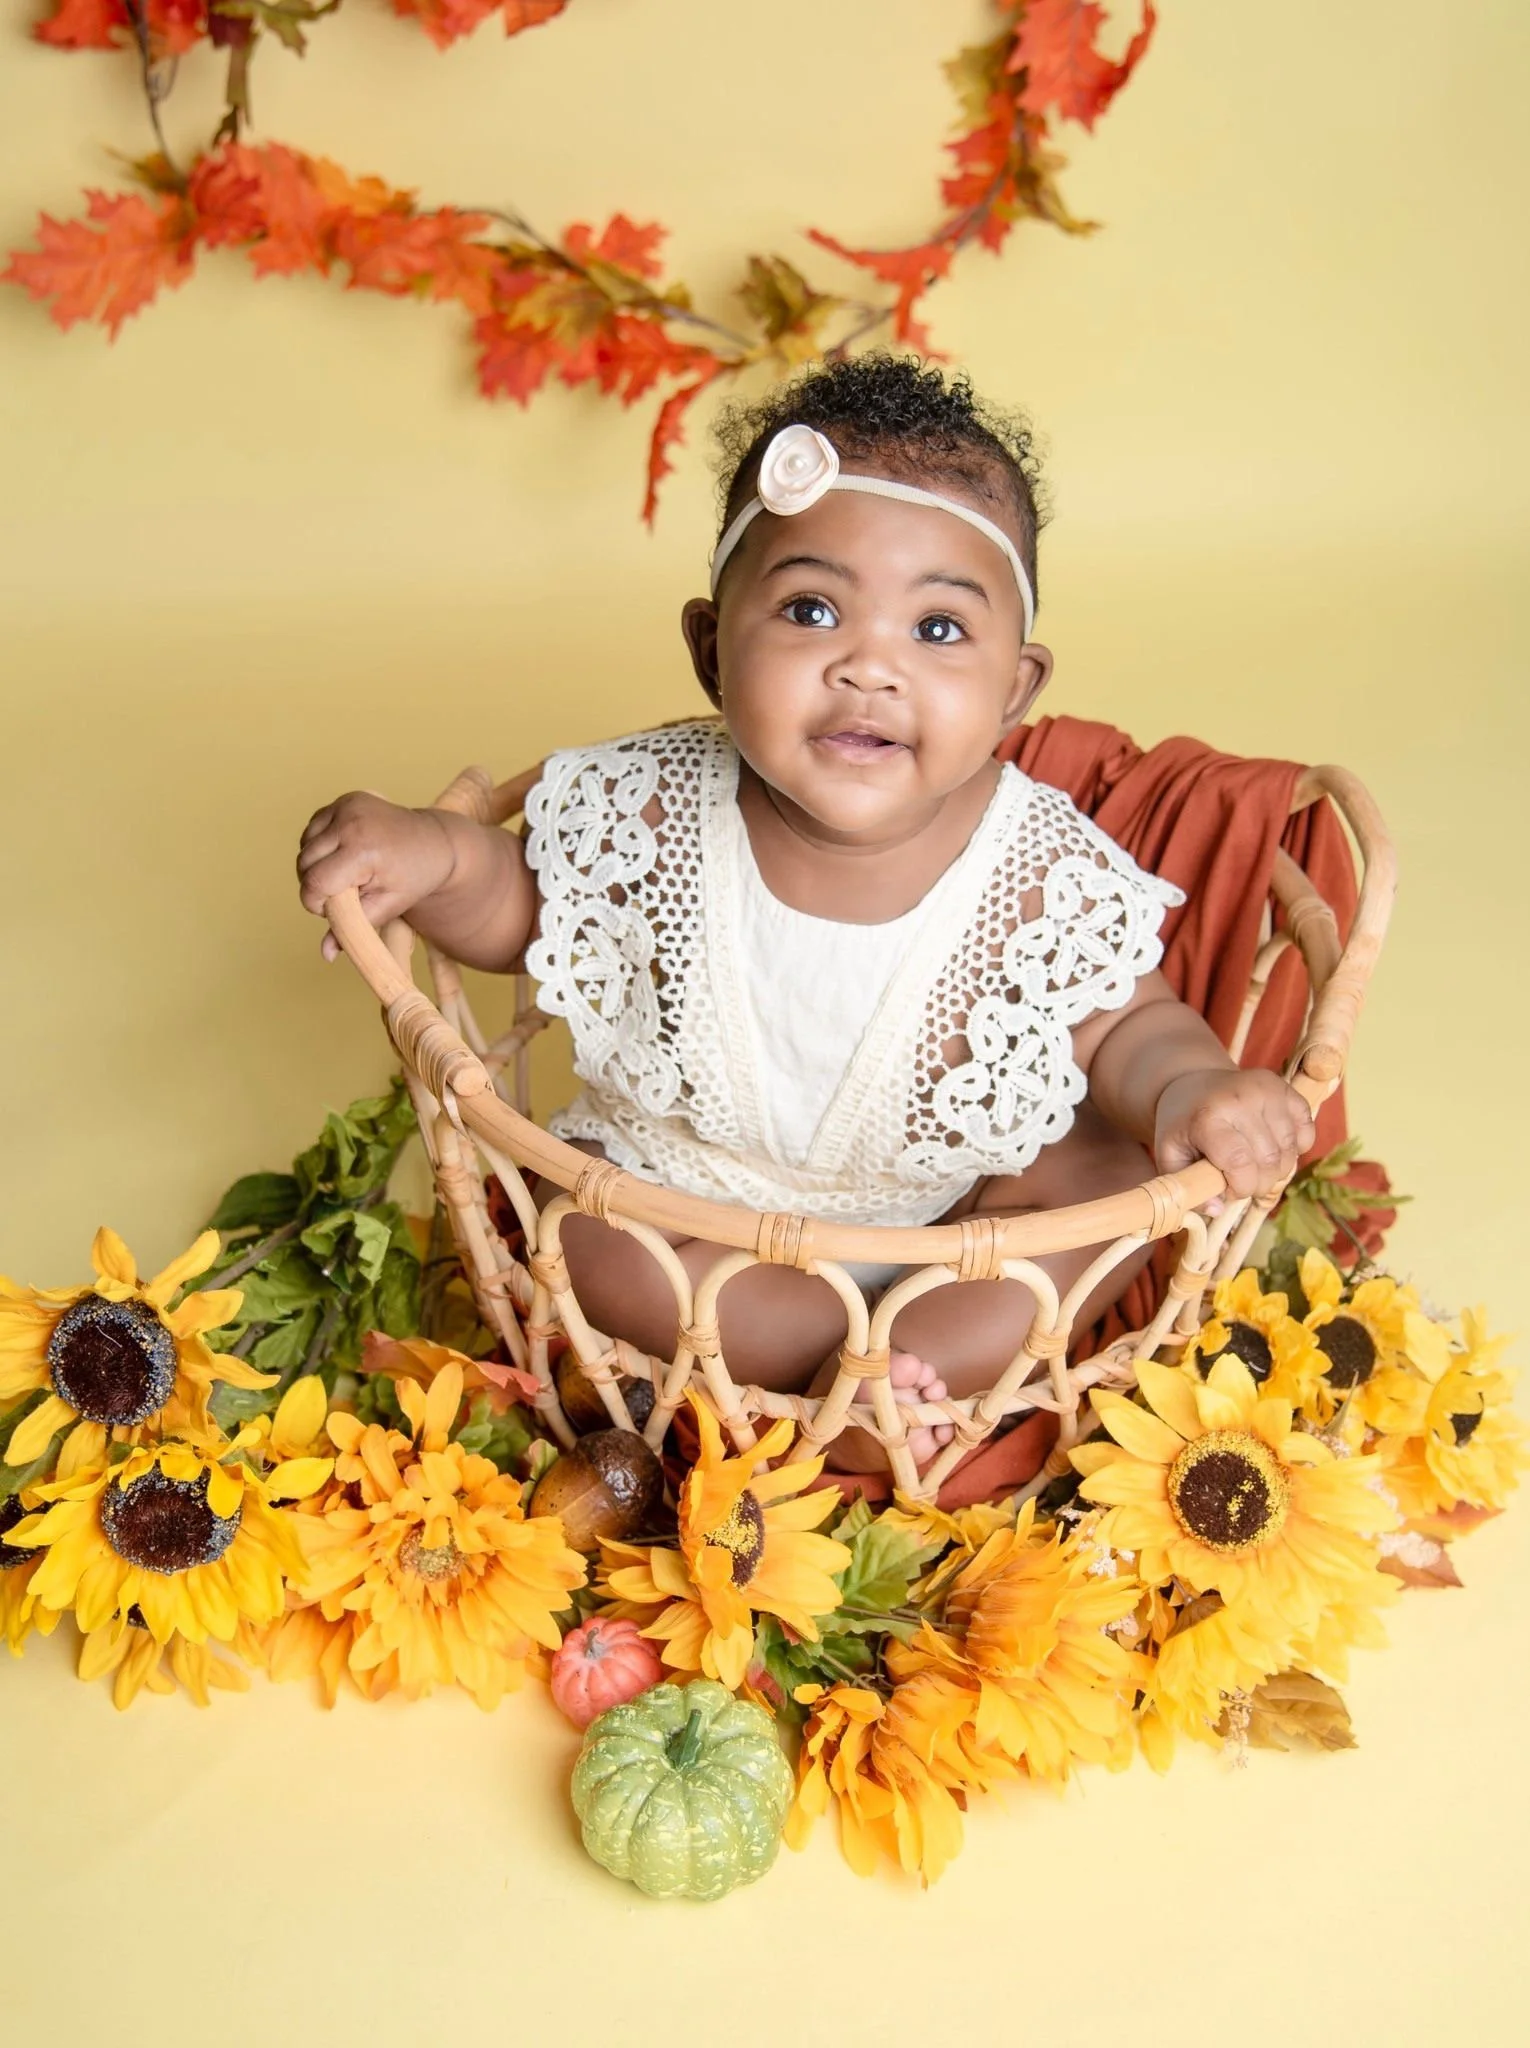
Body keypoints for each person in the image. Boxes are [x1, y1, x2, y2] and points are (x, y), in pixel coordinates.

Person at [297, 356, 1314, 1470]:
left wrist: (1191, 1084)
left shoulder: (1040, 863)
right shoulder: (650, 806)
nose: (869, 667)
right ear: (709, 649)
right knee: (574, 1225)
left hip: (956, 1222)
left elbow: (1126, 1020)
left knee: (1110, 1177)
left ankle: (903, 1361)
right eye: (811, 608)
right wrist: (435, 853)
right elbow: (525, 909)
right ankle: (867, 1388)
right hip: (691, 1203)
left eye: (937, 630)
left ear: (1015, 691)